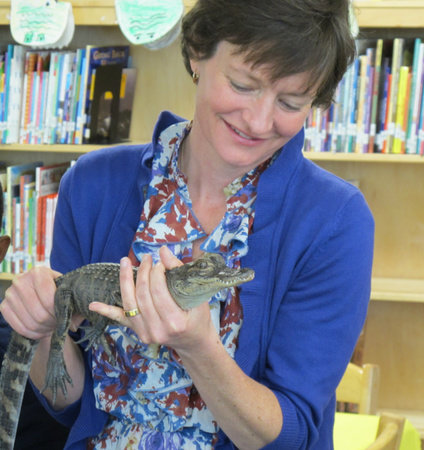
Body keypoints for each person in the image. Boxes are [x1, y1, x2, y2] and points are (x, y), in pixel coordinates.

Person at [0, 1, 374, 448]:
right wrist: (42, 329)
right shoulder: (92, 185)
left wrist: (198, 348)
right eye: (243, 84)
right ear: (198, 54)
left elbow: (292, 436)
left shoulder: (335, 221)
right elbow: (69, 405)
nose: (258, 121)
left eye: (290, 102)